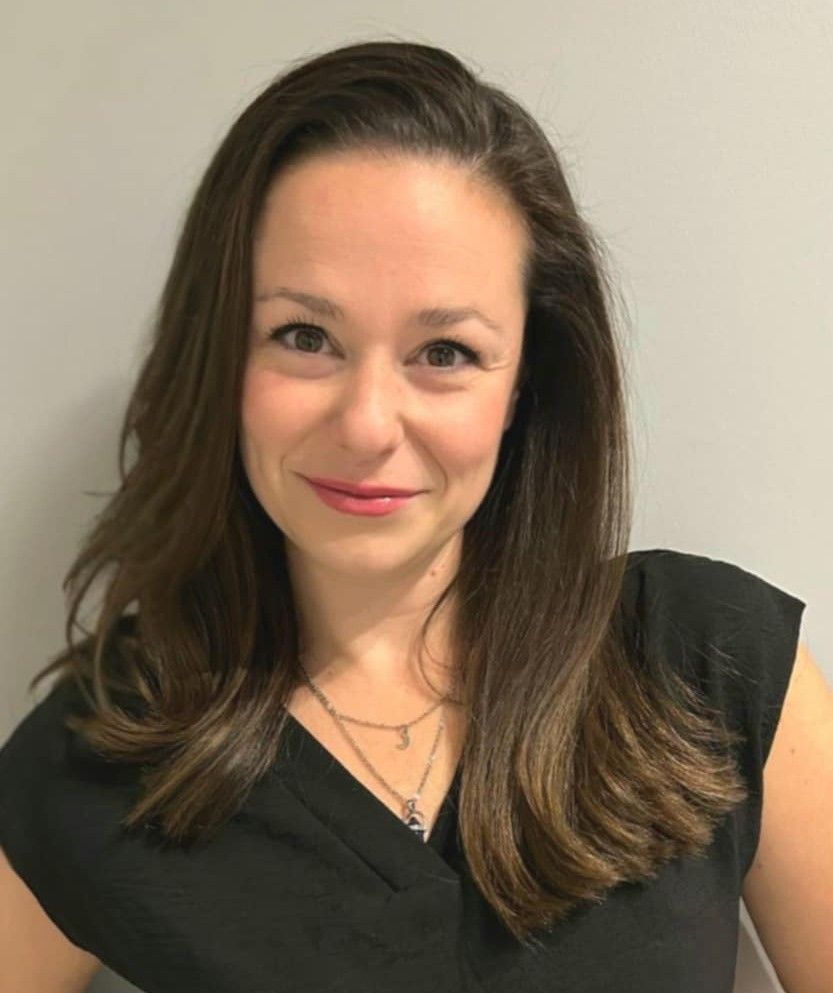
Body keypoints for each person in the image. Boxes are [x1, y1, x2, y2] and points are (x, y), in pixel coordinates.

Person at [1, 38, 831, 993]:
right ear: (220, 355)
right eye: (304, 336)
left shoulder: (711, 662)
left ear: (524, 384)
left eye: (444, 352)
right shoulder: (93, 759)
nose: (366, 424)